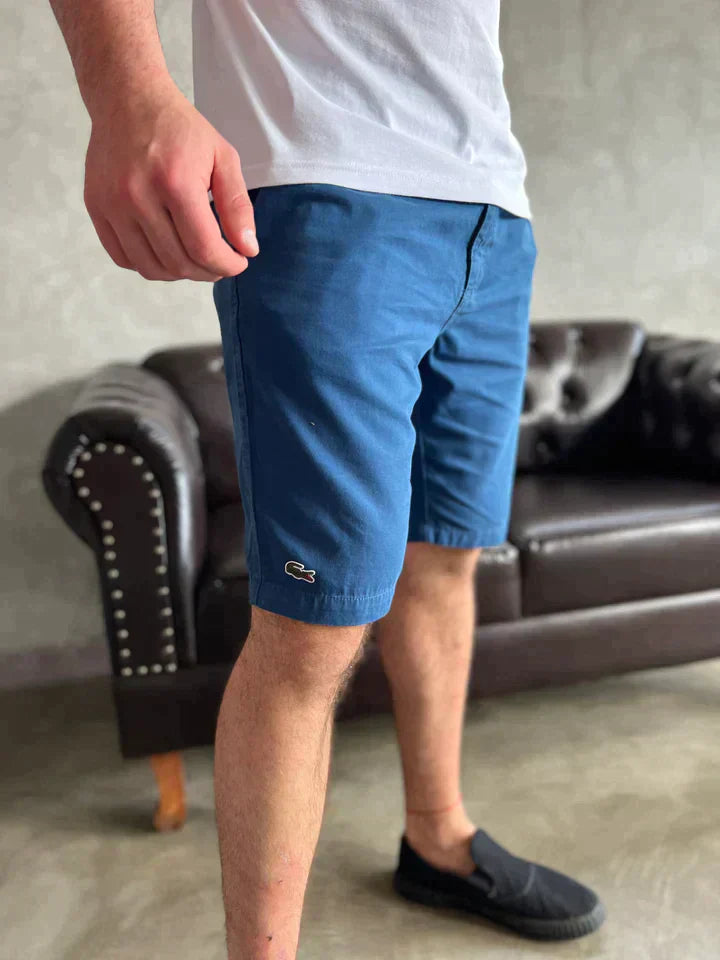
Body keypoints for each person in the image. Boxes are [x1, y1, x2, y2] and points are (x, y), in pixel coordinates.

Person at [49, 0, 606, 955]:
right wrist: (128, 94)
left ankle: (438, 840)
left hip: (493, 207)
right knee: (314, 625)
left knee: (446, 556)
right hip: (325, 184)